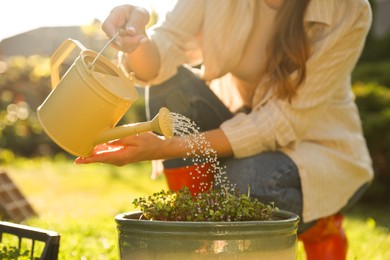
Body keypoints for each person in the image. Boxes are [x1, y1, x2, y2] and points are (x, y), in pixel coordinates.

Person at [75, 0, 374, 259]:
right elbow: (160, 58)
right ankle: (203, 240)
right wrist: (138, 38)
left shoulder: (348, 9)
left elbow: (276, 123)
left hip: (313, 149)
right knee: (172, 89)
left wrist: (162, 147)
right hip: (238, 125)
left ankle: (321, 221)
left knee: (243, 185)